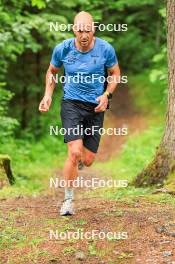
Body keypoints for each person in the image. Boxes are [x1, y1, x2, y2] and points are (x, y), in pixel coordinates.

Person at [39, 11, 120, 216]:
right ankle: (68, 200)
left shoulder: (105, 49)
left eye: (88, 30)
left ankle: (79, 161)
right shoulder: (63, 49)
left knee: (88, 159)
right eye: (80, 30)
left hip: (95, 107)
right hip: (71, 104)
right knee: (74, 153)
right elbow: (52, 72)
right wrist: (48, 95)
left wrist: (106, 95)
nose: (84, 35)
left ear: (94, 29)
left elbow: (115, 74)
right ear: (74, 29)